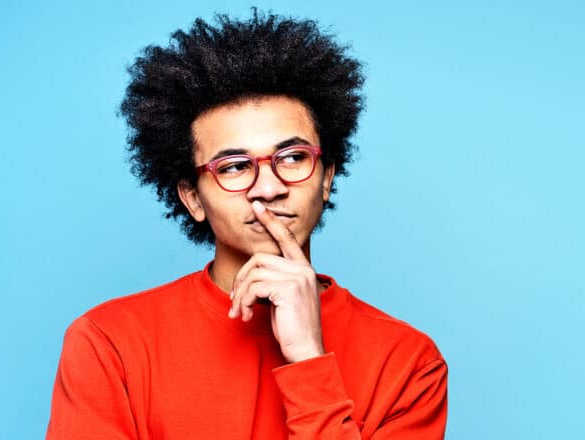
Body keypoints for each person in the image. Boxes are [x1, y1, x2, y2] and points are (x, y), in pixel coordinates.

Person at [46, 10, 447, 439]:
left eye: (293, 158)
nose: (269, 187)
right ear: (193, 198)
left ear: (326, 177)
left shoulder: (409, 362)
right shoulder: (109, 343)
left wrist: (309, 362)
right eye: (235, 167)